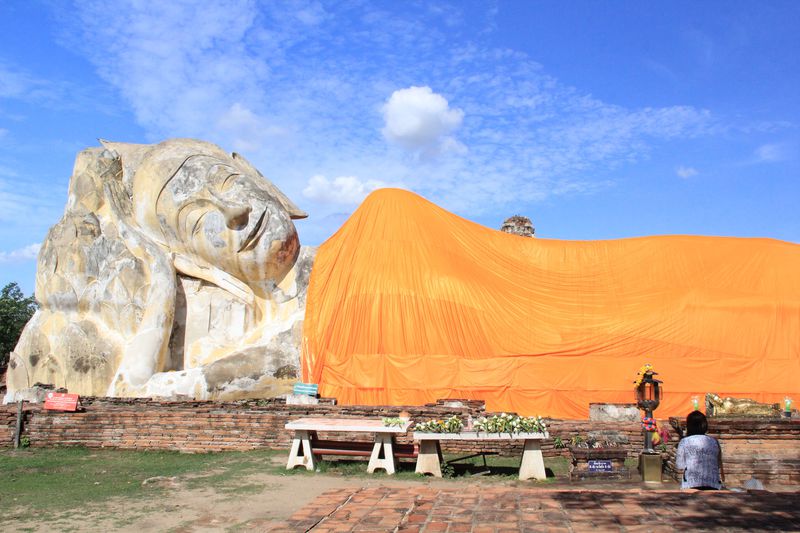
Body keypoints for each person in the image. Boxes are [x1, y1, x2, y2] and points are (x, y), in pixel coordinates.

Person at [675, 411, 724, 490]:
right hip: (713, 484)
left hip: (690, 484)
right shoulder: (714, 441)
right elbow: (718, 464)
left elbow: (680, 465)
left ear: (689, 426)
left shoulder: (684, 442)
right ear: (705, 425)